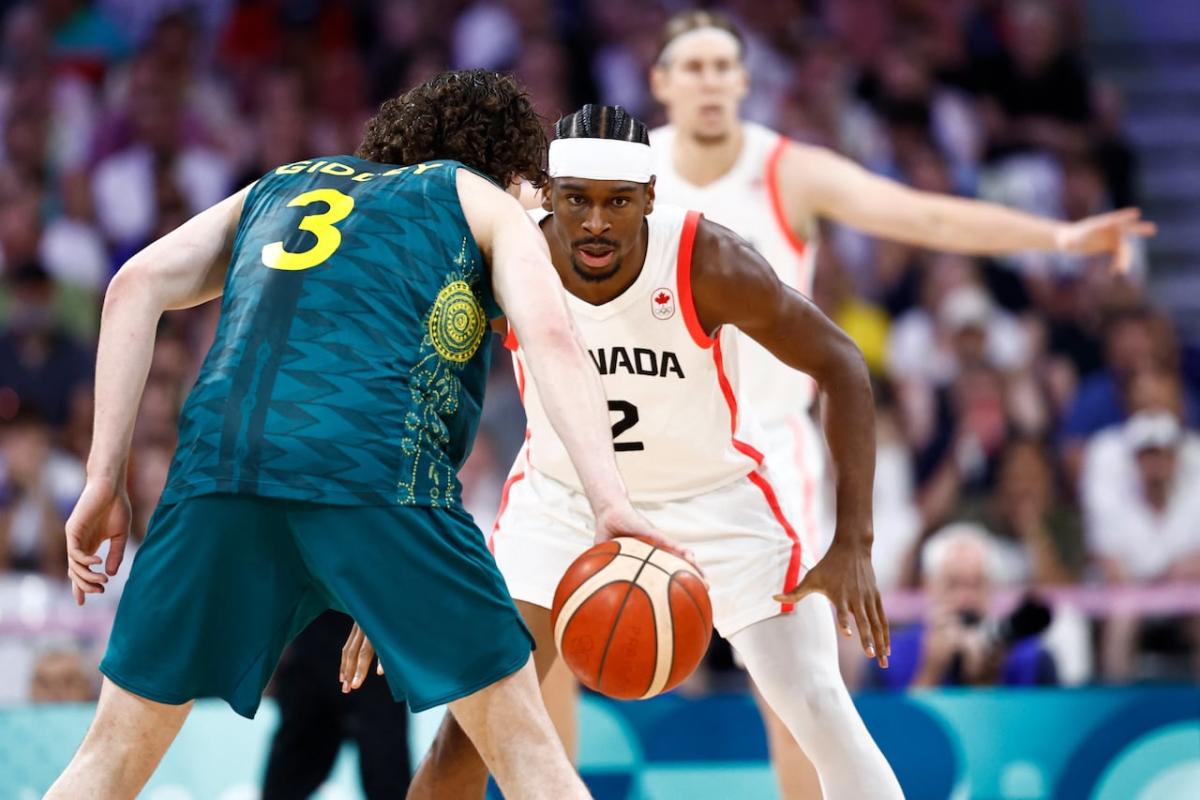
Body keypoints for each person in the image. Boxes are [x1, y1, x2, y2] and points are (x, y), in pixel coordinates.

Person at [46, 70, 674, 800]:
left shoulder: (278, 185)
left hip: (214, 476)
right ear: (510, 169)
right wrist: (609, 501)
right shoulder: (481, 199)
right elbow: (554, 343)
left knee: (108, 761)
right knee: (529, 755)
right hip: (379, 476)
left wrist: (102, 480)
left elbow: (132, 286)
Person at [645, 9, 1154, 796]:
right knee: (538, 633)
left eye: (722, 66)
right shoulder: (623, 170)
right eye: (694, 66)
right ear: (661, 83)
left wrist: (1057, 238)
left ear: (746, 81)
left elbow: (927, 215)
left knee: (794, 686)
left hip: (768, 451)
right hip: (646, 436)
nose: (709, 80)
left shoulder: (789, 170)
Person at [343, 104, 903, 800]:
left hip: (714, 503)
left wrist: (854, 538)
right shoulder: (507, 259)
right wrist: (386, 554)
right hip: (561, 503)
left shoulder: (708, 260)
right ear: (549, 197)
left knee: (820, 707)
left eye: (618, 203)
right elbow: (419, 401)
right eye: (576, 200)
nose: (597, 223)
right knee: (468, 732)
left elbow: (843, 363)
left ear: (651, 200)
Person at [871, 523, 1058, 689]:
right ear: (928, 586)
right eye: (953, 584)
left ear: (993, 588)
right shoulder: (888, 659)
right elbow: (885, 726)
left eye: (977, 584)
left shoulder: (1034, 660)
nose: (966, 598)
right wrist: (931, 671)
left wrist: (988, 679)